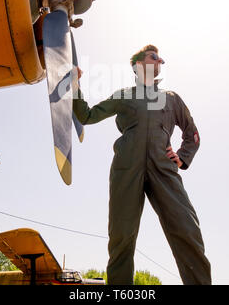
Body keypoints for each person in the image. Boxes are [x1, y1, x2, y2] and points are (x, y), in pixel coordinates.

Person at [72, 44, 211, 285]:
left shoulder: (171, 98)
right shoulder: (124, 95)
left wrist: (182, 156)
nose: (159, 62)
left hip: (163, 169)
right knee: (121, 238)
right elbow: (87, 116)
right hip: (126, 168)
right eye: (154, 57)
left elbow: (192, 132)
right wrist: (74, 86)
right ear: (138, 64)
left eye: (161, 60)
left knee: (187, 230)